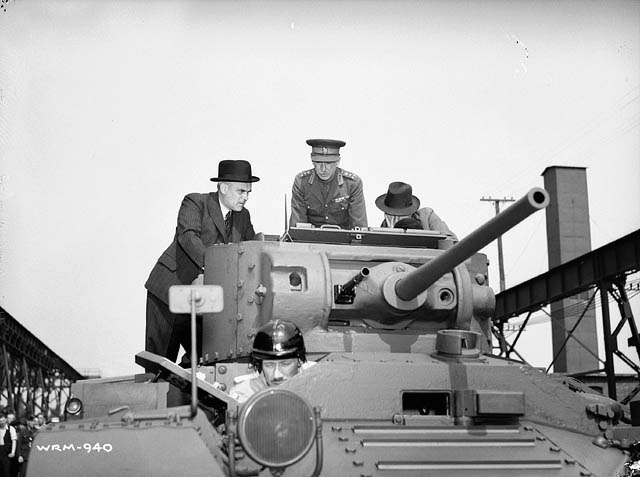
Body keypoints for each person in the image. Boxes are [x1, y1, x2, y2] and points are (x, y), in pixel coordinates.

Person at [144, 160, 260, 367]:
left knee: (205, 360)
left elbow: (250, 250)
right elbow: (188, 237)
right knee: (159, 365)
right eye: (241, 191)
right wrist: (216, 267)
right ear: (223, 187)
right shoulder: (195, 202)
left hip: (201, 303)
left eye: (249, 192)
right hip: (169, 293)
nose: (246, 197)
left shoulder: (244, 216)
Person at [290, 139, 367, 230]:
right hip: (310, 241)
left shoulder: (352, 184)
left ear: (338, 161)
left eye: (328, 163)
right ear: (312, 161)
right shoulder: (301, 182)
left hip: (343, 241)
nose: (323, 169)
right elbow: (298, 226)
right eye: (318, 163)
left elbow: (359, 227)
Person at [229, 320, 312, 403]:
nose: (276, 375)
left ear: (300, 361)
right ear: (261, 364)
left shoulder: (318, 383)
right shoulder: (246, 395)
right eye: (269, 365)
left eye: (285, 364)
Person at [376, 181, 457, 240]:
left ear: (410, 212)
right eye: (390, 214)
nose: (395, 219)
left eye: (400, 215)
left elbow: (451, 242)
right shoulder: (382, 229)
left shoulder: (427, 216)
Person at [0, 413, 17, 477]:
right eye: (0, 421)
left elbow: (14, 441)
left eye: (3, 421)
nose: (2, 423)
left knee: (6, 471)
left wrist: (13, 452)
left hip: (7, 452)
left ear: (6, 420)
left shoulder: (11, 429)